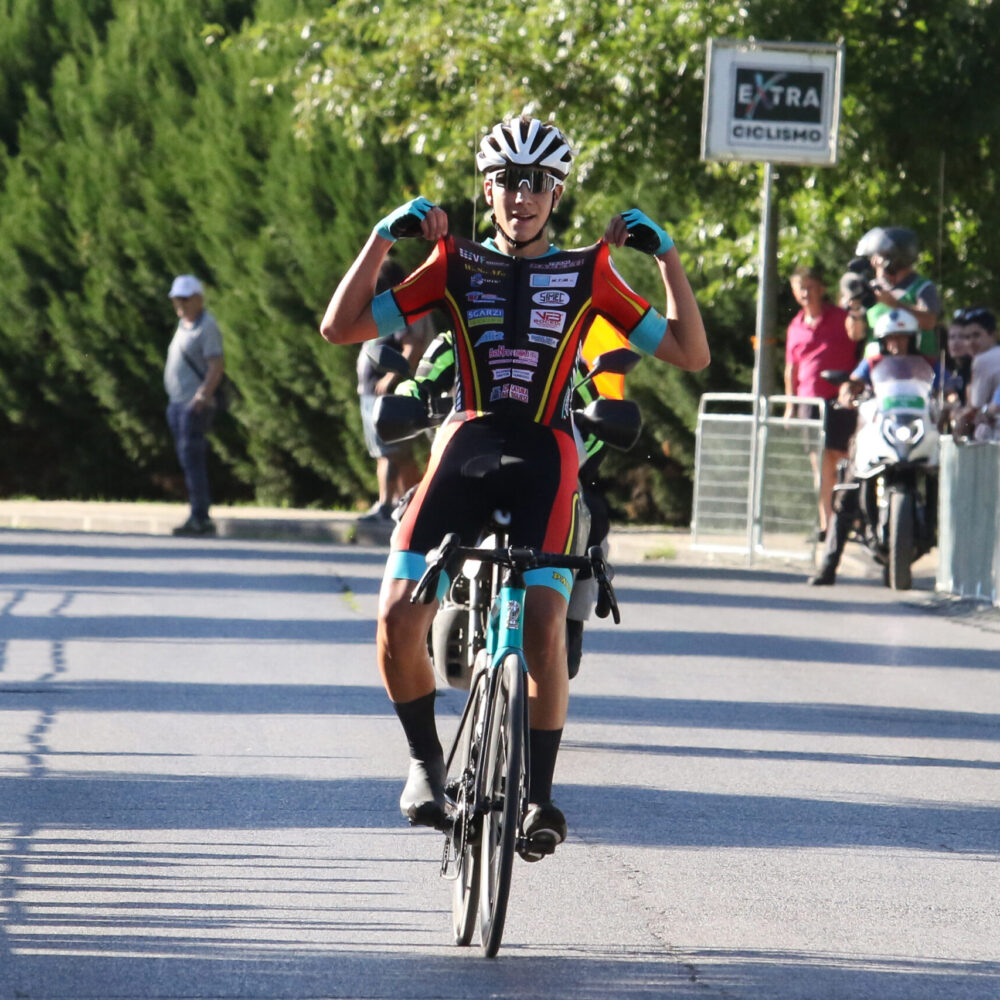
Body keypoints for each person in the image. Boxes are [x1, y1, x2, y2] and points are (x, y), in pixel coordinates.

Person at [319, 115, 709, 857]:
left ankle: (538, 798)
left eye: (537, 183)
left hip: (549, 455)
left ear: (556, 194)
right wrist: (382, 238)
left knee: (541, 626)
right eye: (506, 180)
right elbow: (339, 328)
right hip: (465, 440)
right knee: (397, 615)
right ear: (487, 188)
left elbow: (690, 353)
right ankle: (426, 763)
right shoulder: (450, 262)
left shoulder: (591, 272)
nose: (520, 196)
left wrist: (669, 260)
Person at [809, 309, 941, 586]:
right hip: (875, 431)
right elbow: (852, 382)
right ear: (882, 340)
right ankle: (828, 566)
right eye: (891, 338)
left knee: (938, 476)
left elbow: (944, 386)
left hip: (913, 430)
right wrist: (847, 392)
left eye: (902, 338)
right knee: (847, 491)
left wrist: (949, 396)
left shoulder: (926, 364)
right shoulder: (872, 363)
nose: (896, 343)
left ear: (912, 339)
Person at [355, 260, 433, 523]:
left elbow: (411, 346)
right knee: (383, 452)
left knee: (396, 451)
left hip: (390, 393)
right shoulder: (383, 311)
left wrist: (391, 377)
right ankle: (389, 504)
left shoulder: (401, 310)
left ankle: (400, 504)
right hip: (370, 393)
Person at [783, 264, 857, 538]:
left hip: (841, 399)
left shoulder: (841, 317)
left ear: (822, 289)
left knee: (846, 459)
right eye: (800, 288)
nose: (806, 293)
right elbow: (791, 368)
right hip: (809, 403)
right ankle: (827, 525)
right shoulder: (795, 326)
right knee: (821, 465)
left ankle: (853, 520)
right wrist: (790, 406)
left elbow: (859, 339)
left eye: (811, 287)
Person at [164, 275, 225, 537]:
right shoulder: (184, 324)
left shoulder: (206, 325)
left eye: (186, 298)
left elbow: (216, 365)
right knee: (186, 460)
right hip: (177, 403)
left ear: (199, 299)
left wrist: (201, 397)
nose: (181, 303)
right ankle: (196, 513)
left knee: (193, 461)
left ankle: (200, 517)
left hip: (193, 405)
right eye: (177, 298)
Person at [844, 226, 940, 359]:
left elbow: (929, 322)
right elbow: (855, 334)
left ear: (894, 261)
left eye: (877, 257)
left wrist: (892, 303)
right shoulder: (871, 289)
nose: (873, 262)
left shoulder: (922, 288)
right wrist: (854, 309)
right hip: (877, 369)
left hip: (917, 369)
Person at [949, 308, 1000, 438]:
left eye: (976, 335)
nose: (971, 342)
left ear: (993, 335)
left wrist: (955, 416)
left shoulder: (982, 360)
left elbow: (976, 408)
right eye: (967, 337)